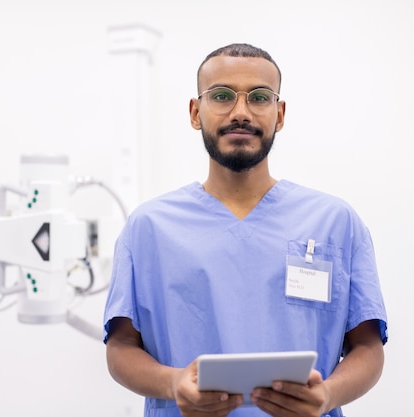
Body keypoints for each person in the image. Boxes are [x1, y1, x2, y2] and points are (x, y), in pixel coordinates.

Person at [103, 43, 388, 417]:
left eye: (259, 97)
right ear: (195, 112)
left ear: (279, 113)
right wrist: (173, 383)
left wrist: (328, 395)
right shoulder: (149, 228)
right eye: (221, 96)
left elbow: (367, 347)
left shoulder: (335, 222)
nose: (241, 112)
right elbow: (120, 347)